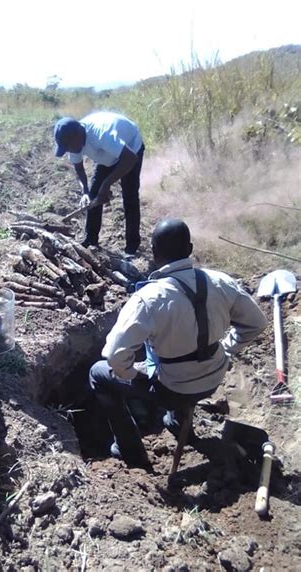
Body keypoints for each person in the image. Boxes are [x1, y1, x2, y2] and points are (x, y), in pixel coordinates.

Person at [88, 218, 268, 469]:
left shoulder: (149, 299)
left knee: (98, 373)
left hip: (173, 389)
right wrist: (226, 347)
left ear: (154, 253)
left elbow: (115, 356)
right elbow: (257, 323)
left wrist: (134, 374)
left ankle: (130, 451)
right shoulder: (220, 281)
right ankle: (177, 420)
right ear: (190, 249)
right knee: (181, 357)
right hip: (213, 378)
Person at [54, 112, 144, 257]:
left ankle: (131, 247)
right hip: (108, 156)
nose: (69, 151)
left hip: (130, 148)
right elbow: (78, 168)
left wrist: (107, 183)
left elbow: (130, 158)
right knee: (94, 194)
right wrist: (84, 192)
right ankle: (91, 240)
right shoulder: (74, 142)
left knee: (130, 196)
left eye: (68, 147)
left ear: (77, 136)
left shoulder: (101, 135)